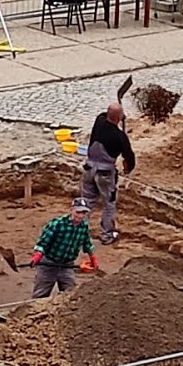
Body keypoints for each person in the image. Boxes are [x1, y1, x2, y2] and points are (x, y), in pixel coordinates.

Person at [81, 103, 137, 245]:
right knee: (109, 204)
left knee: (87, 201)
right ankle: (107, 235)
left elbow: (103, 114)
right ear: (119, 118)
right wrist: (128, 168)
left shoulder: (98, 123)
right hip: (105, 174)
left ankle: (79, 233)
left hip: (88, 168)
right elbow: (129, 156)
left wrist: (117, 115)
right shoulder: (120, 136)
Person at [30, 198, 100, 299]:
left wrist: (92, 257)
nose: (80, 216)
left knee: (70, 294)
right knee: (40, 294)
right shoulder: (57, 224)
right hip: (49, 263)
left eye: (84, 213)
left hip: (67, 265)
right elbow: (43, 242)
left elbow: (86, 243)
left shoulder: (84, 226)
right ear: (71, 210)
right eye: (78, 212)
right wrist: (38, 254)